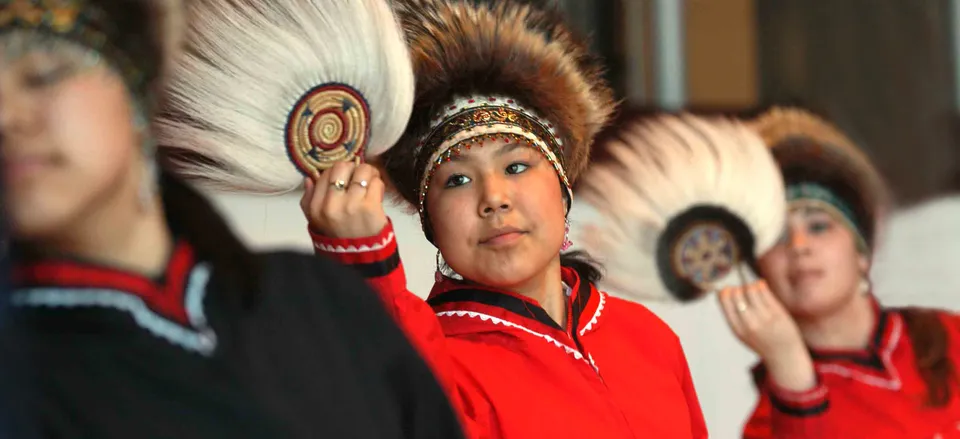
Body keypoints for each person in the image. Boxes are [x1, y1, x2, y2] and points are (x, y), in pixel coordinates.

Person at [0, 0, 463, 437]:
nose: (5, 115)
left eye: (42, 74)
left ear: (136, 80)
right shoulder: (23, 378)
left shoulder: (312, 297)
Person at [302, 0, 709, 437]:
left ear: (563, 187)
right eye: (457, 179)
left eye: (516, 167)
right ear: (430, 221)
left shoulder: (646, 337)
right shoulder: (435, 358)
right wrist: (363, 265)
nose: (493, 198)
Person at [717, 107, 960, 438]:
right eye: (778, 237)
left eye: (819, 226)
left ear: (862, 252)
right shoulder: (768, 424)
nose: (799, 246)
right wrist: (789, 365)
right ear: (759, 270)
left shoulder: (949, 338)